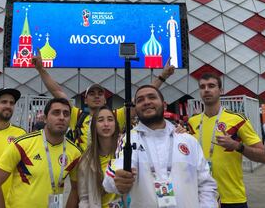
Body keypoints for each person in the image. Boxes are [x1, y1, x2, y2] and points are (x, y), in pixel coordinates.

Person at [32, 51, 175, 151]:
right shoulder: (77, 115)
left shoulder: (115, 116)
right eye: (92, 94)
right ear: (85, 100)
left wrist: (162, 76)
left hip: (111, 169)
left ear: (105, 99)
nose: (96, 96)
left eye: (100, 93)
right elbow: (57, 92)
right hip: (84, 171)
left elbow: (142, 97)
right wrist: (40, 69)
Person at [103, 85, 218, 207]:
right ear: (135, 109)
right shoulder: (129, 140)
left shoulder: (189, 141)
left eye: (152, 97)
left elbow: (206, 185)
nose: (146, 102)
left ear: (164, 105)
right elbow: (115, 172)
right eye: (140, 100)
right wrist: (118, 179)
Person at [188, 73, 265, 208]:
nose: (206, 90)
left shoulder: (237, 120)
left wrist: (237, 146)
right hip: (201, 197)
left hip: (232, 199)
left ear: (221, 91)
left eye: (211, 86)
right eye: (202, 87)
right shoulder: (192, 122)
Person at [0, 98, 81, 208]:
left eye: (66, 114)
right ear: (45, 118)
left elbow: (76, 190)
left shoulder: (75, 153)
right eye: (56, 113)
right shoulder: (22, 144)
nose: (61, 117)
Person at [78, 106, 122, 208]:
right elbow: (84, 198)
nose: (106, 124)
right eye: (100, 120)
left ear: (115, 124)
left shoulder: (125, 151)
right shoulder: (86, 160)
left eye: (110, 120)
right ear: (94, 126)